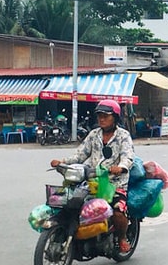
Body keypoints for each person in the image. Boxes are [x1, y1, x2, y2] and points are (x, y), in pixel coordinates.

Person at [51, 99, 136, 253]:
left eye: (106, 115)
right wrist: (62, 162)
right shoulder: (93, 134)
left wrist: (121, 167)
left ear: (115, 117)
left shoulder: (123, 136)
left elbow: (128, 157)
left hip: (114, 184)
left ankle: (122, 237)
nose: (102, 119)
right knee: (69, 202)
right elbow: (80, 155)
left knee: (117, 211)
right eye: (99, 115)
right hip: (91, 180)